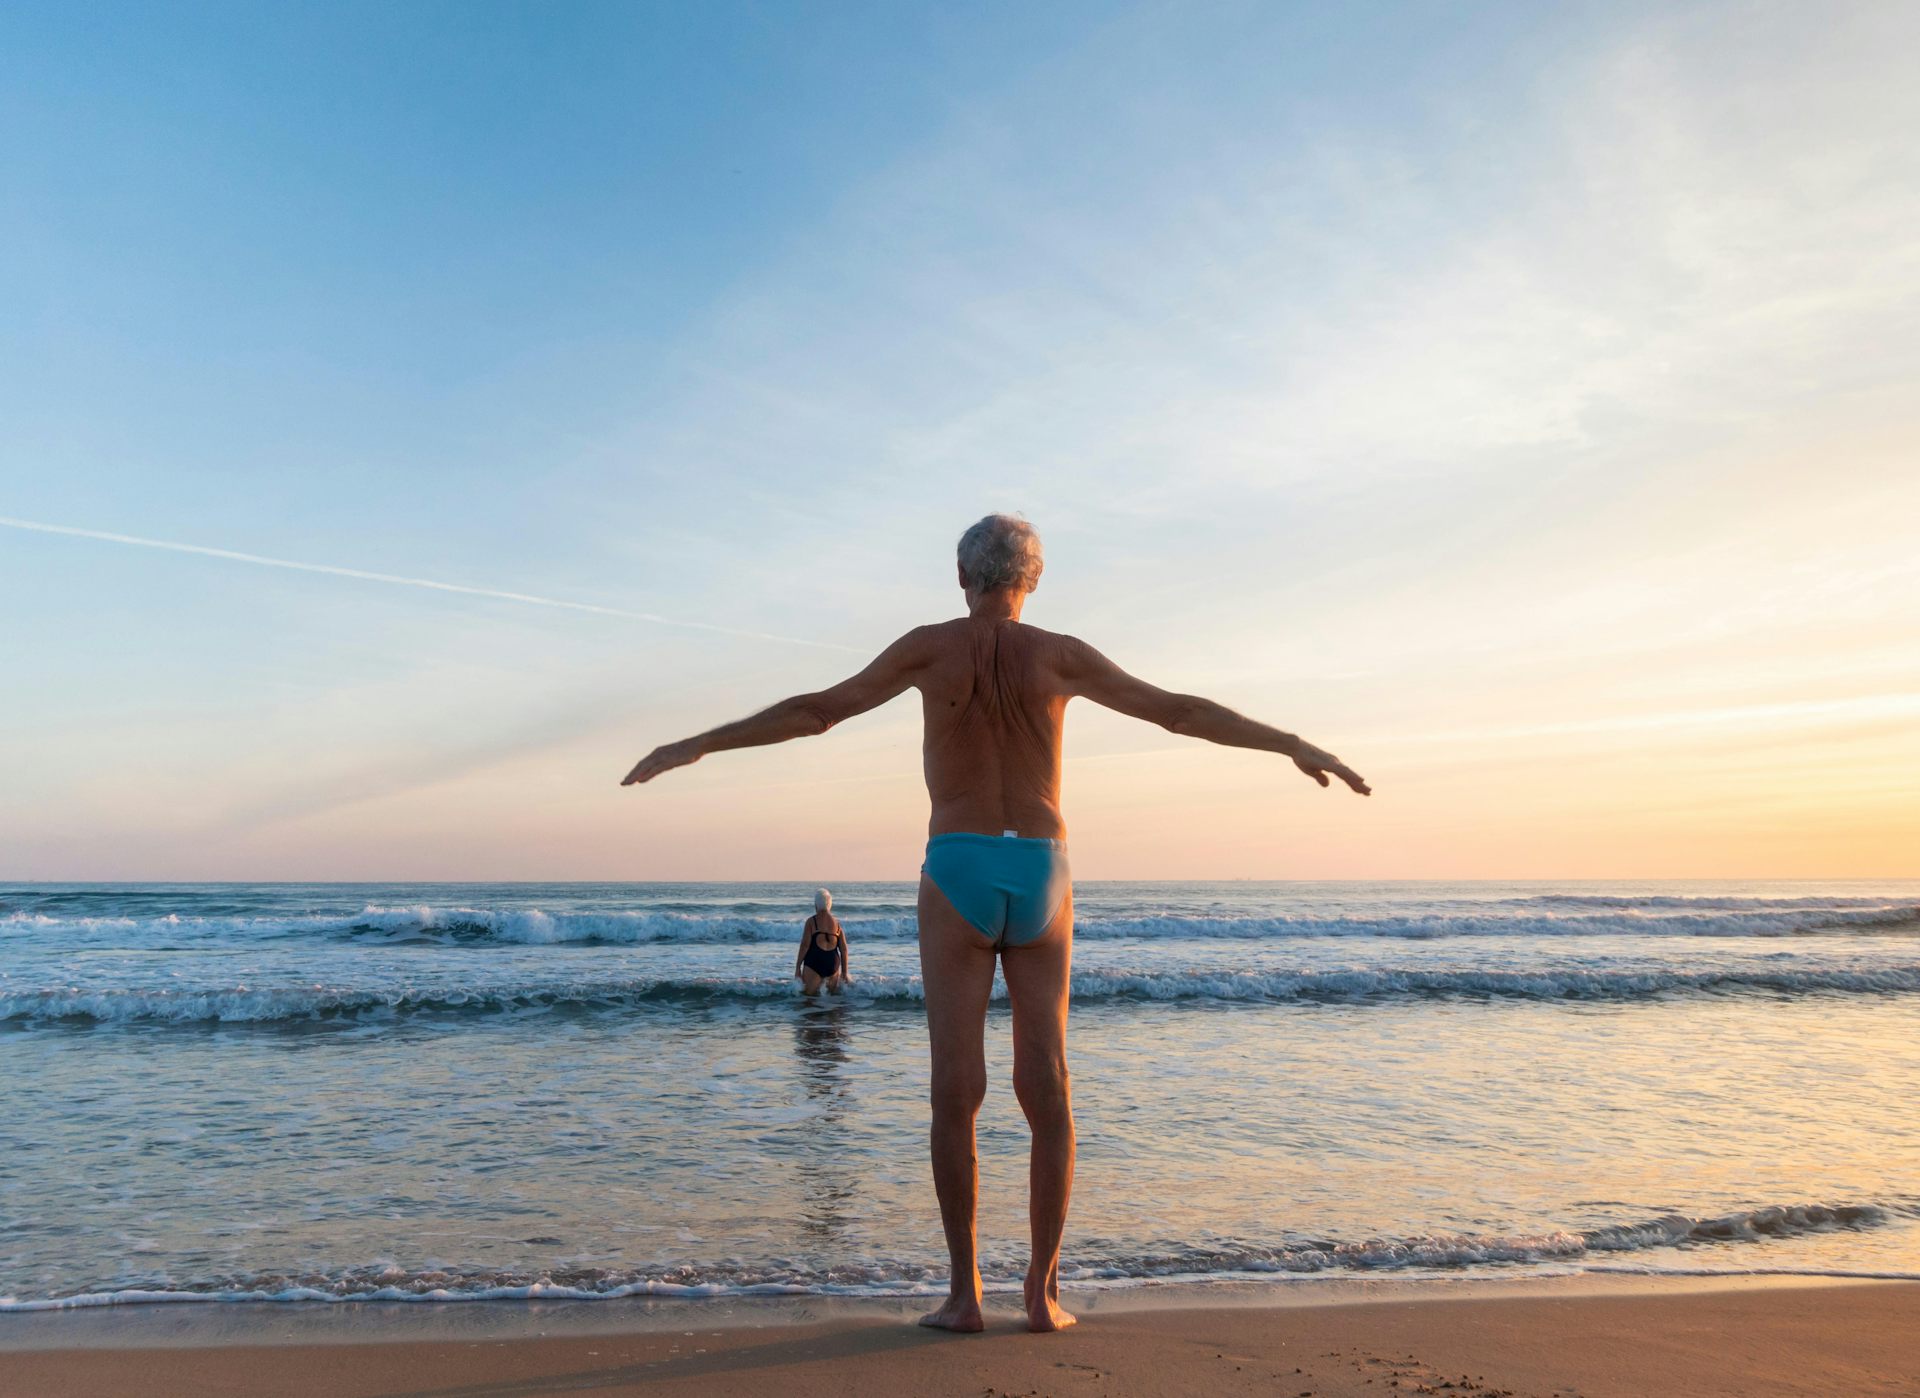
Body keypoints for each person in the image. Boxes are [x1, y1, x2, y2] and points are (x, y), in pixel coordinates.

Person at [622, 513, 1368, 1333]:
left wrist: (697, 744)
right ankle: (1044, 1296)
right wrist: (1292, 743)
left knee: (956, 1091)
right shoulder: (1061, 654)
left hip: (959, 867)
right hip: (1042, 867)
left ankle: (964, 1295)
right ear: (1033, 579)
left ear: (960, 575)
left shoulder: (928, 647)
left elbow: (816, 712)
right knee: (1048, 1087)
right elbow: (1178, 712)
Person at [796, 887, 849, 993]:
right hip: (832, 964)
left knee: (809, 999)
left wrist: (797, 967)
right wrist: (844, 973)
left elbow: (805, 945)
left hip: (815, 962)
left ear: (816, 905)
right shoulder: (837, 924)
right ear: (830, 905)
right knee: (831, 1002)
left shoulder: (811, 922)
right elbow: (844, 950)